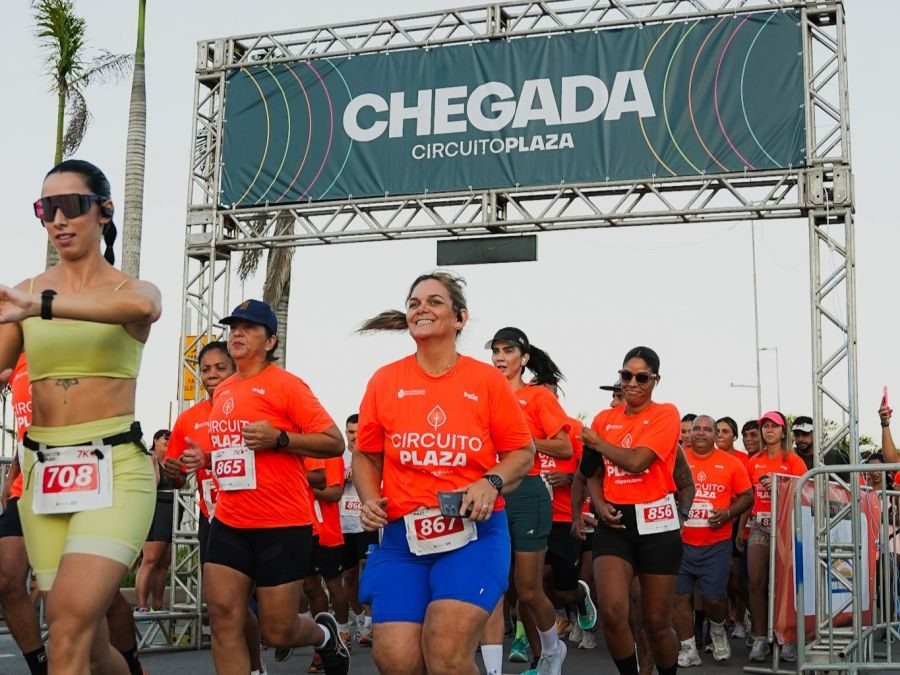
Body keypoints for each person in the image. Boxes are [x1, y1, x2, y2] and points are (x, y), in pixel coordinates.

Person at [0, 159, 162, 673]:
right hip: (43, 473)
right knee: (85, 643)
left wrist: (41, 306)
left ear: (104, 211)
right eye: (46, 208)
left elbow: (145, 310)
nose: (58, 219)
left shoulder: (128, 290)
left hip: (115, 469)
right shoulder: (23, 294)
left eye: (71, 205)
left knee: (68, 625)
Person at [353, 272, 535, 675]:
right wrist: (368, 499)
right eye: (414, 302)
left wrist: (491, 481)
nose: (422, 308)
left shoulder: (486, 381)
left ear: (460, 318)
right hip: (403, 539)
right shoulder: (385, 380)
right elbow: (365, 454)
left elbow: (523, 452)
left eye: (434, 301)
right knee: (396, 660)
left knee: (446, 653)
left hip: (474, 535)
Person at [180, 299, 348, 675]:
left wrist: (281, 439)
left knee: (278, 630)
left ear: (270, 341)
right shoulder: (224, 391)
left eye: (249, 328)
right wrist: (208, 459)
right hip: (230, 521)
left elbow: (334, 442)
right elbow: (238, 452)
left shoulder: (286, 385)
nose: (237, 334)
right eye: (233, 328)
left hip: (281, 523)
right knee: (223, 617)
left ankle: (324, 635)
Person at [163, 341, 267, 675]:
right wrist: (173, 472)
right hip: (213, 519)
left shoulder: (255, 405)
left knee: (258, 612)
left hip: (255, 515)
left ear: (235, 369)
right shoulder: (189, 419)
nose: (211, 375)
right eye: (205, 369)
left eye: (220, 368)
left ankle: (310, 639)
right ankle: (252, 668)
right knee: (226, 605)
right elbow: (179, 478)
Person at [577, 346, 683, 675]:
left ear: (655, 380)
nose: (632, 383)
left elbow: (638, 462)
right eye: (626, 375)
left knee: (656, 623)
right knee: (611, 612)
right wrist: (598, 503)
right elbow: (590, 472)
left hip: (657, 525)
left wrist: (599, 443)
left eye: (642, 377)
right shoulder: (603, 420)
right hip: (615, 523)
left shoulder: (666, 414)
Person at [484, 326, 573, 675]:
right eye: (496, 351)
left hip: (528, 494)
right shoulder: (484, 393)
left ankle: (552, 650)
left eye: (508, 351)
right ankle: (524, 662)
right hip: (490, 493)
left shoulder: (537, 398)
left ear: (524, 359)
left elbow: (565, 447)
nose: (500, 357)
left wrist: (525, 444)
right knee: (494, 587)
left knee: (529, 589)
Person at [674, 416, 753, 667]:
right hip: (680, 543)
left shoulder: (730, 463)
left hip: (716, 544)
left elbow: (747, 496)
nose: (700, 433)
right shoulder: (675, 460)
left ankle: (717, 629)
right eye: (696, 428)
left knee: (714, 598)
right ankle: (688, 648)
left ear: (715, 434)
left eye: (707, 429)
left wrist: (728, 513)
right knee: (679, 597)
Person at [743, 411, 807, 662]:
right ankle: (761, 637)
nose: (769, 430)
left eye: (774, 426)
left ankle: (787, 637)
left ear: (783, 432)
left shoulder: (794, 461)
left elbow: (805, 495)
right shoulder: (754, 461)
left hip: (786, 528)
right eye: (765, 426)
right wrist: (740, 529)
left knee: (784, 585)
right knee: (755, 581)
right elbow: (748, 497)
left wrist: (780, 487)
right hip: (759, 526)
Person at [337, 413, 377, 647]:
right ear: (346, 433)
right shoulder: (338, 456)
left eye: (358, 432)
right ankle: (360, 618)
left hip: (366, 520)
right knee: (349, 576)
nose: (355, 436)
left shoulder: (372, 454)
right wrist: (341, 478)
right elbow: (327, 484)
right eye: (351, 432)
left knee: (368, 568)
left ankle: (370, 622)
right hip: (342, 524)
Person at [135, 429, 174, 612]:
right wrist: (153, 461)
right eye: (165, 438)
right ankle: (141, 605)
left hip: (172, 510)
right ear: (156, 440)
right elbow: (154, 482)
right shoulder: (150, 458)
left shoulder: (171, 462)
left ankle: (157, 604)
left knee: (164, 561)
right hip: (157, 509)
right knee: (151, 559)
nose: (168, 440)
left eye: (171, 438)